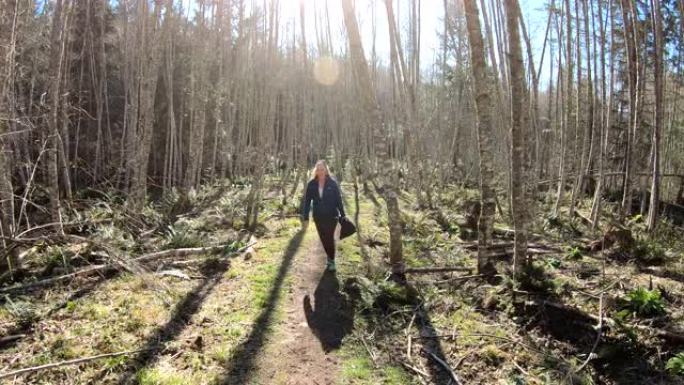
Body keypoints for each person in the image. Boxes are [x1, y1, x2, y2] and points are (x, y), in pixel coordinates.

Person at [301, 160, 346, 272]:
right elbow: (307, 201)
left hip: (332, 215)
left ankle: (331, 261)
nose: (320, 171)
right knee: (323, 238)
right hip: (318, 216)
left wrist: (343, 215)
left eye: (322, 169)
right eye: (318, 169)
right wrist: (305, 216)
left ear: (326, 170)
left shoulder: (332, 183)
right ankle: (329, 257)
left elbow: (338, 200)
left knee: (329, 238)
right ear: (315, 171)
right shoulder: (312, 184)